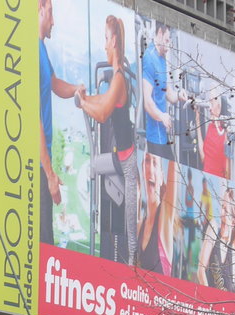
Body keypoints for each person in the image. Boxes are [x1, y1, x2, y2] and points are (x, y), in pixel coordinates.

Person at [76, 15, 138, 265]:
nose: (103, 44)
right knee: (91, 167)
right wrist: (85, 98)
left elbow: (102, 114)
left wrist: (83, 102)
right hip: (117, 159)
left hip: (129, 164)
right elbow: (101, 102)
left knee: (131, 232)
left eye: (105, 39)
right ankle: (94, 231)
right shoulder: (116, 78)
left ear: (113, 41)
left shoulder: (120, 79)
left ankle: (133, 269)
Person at [39, 0, 82, 246]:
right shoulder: (33, 50)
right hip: (36, 162)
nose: (54, 21)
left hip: (42, 160)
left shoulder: (41, 49)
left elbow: (54, 83)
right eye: (51, 13)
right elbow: (34, 120)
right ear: (40, 7)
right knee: (44, 240)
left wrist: (77, 89)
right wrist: (50, 174)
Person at [141, 22, 181, 160]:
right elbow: (147, 102)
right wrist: (162, 116)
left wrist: (179, 96)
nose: (169, 46)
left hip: (163, 135)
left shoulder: (162, 59)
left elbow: (168, 93)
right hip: (154, 136)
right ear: (159, 33)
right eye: (167, 40)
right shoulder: (149, 58)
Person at [139, 152, 178, 278]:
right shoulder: (139, 225)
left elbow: (174, 161)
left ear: (162, 177)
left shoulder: (165, 216)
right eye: (147, 161)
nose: (150, 169)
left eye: (155, 163)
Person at [197, 186, 235, 292]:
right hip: (208, 301)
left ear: (234, 220)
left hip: (225, 306)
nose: (222, 213)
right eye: (222, 207)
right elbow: (200, 270)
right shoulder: (213, 228)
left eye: (226, 210)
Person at [197, 88, 230, 179]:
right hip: (208, 179)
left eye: (212, 102)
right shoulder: (212, 127)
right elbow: (204, 158)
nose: (209, 107)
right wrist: (197, 121)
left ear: (219, 106)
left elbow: (227, 169)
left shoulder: (225, 131)